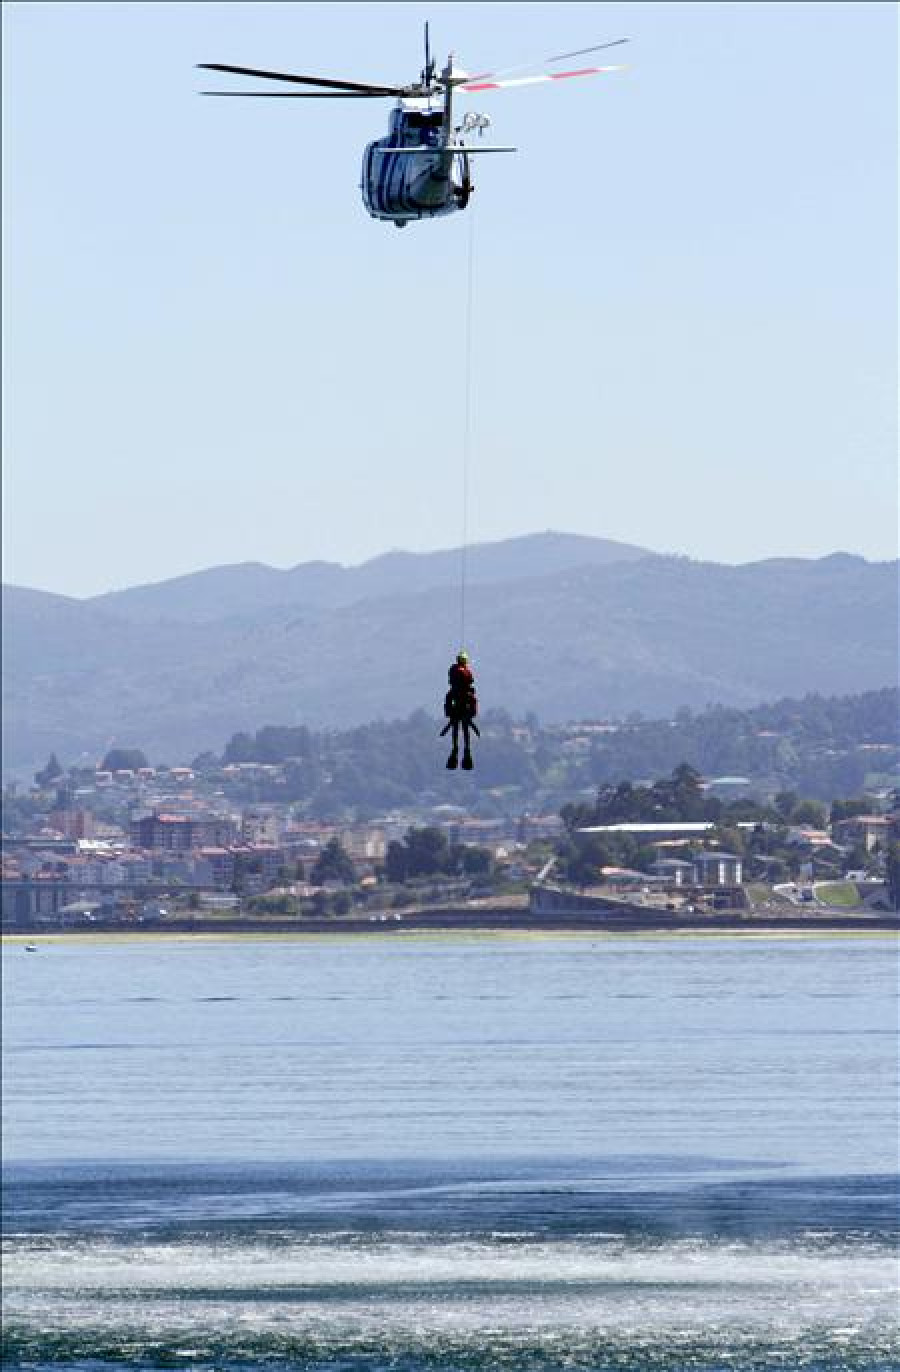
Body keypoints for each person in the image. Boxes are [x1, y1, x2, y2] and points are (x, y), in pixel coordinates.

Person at [442, 650, 479, 770]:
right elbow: (473, 701)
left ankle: (455, 750)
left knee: (455, 731)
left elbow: (448, 700)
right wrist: (472, 714)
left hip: (455, 710)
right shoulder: (466, 678)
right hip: (464, 711)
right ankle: (466, 751)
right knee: (465, 731)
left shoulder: (453, 688)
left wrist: (449, 713)